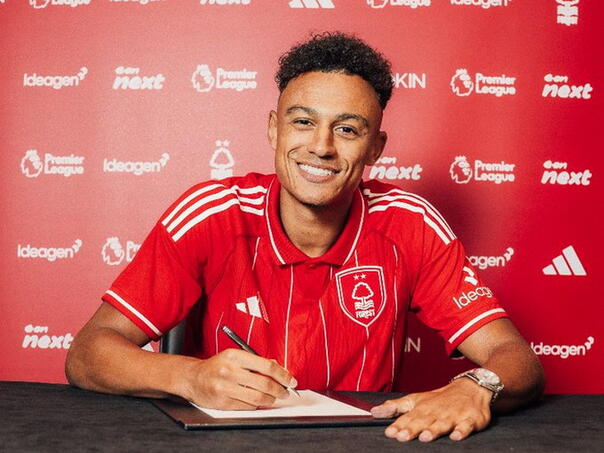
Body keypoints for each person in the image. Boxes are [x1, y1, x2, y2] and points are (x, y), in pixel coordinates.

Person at [66, 32, 544, 443]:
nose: (321, 146)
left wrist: (475, 386)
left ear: (375, 148)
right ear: (274, 130)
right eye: (303, 122)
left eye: (347, 129)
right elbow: (88, 353)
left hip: (360, 445)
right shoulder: (213, 214)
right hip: (225, 442)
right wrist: (190, 376)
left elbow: (516, 359)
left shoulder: (410, 224)